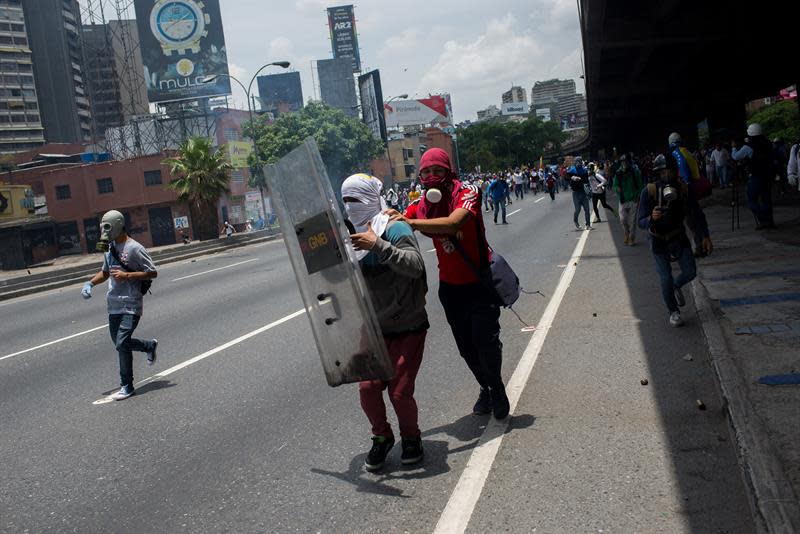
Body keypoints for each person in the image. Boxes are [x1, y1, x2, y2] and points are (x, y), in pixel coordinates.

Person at [389, 148, 510, 420]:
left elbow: (455, 221)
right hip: (451, 290)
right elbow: (398, 223)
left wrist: (412, 222)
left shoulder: (466, 192)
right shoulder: (421, 205)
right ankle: (486, 387)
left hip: (479, 282)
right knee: (466, 348)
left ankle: (497, 387)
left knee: (485, 341)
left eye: (438, 171)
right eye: (426, 172)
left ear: (448, 171)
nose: (432, 176)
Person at [341, 173, 428, 472]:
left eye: (356, 199)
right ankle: (382, 437)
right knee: (367, 387)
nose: (351, 207)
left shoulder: (394, 227)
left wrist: (377, 245)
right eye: (346, 201)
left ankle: (412, 438)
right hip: (376, 328)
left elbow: (416, 266)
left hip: (408, 324)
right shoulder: (348, 237)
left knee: (400, 391)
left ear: (372, 196)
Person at [81, 210, 158, 401]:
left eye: (107, 227)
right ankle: (148, 346)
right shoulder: (108, 248)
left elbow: (152, 272)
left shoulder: (135, 248)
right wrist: (90, 283)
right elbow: (105, 272)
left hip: (131, 303)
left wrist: (128, 276)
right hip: (113, 304)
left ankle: (127, 385)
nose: (105, 232)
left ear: (117, 226)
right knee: (119, 344)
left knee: (122, 343)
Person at [638, 154, 702, 327]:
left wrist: (705, 236)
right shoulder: (649, 191)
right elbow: (640, 221)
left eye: (670, 171)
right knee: (664, 278)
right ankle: (673, 311)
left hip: (678, 236)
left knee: (690, 272)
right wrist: (652, 218)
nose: (667, 175)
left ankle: (675, 286)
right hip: (658, 240)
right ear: (658, 173)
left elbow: (695, 213)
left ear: (675, 171)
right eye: (663, 172)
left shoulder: (683, 189)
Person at [668, 132, 713, 257]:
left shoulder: (677, 153)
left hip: (688, 190)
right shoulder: (686, 151)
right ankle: (703, 241)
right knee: (695, 217)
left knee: (691, 219)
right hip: (693, 187)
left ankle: (700, 246)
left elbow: (682, 167)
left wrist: (684, 185)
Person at [732, 123, 777, 229]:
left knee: (751, 200)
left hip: (756, 176)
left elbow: (735, 157)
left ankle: (763, 220)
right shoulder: (768, 144)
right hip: (767, 175)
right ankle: (770, 221)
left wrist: (734, 147)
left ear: (750, 133)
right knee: (766, 199)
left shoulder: (749, 147)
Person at [614, 154, 643, 245]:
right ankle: (626, 232)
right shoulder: (618, 173)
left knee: (632, 221)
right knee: (622, 219)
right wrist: (617, 189)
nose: (624, 163)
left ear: (629, 162)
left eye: (626, 161)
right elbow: (615, 184)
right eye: (622, 162)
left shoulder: (635, 172)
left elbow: (640, 185)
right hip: (623, 200)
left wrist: (638, 196)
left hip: (633, 199)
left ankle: (631, 238)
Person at [567, 156, 591, 230]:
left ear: (581, 162)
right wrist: (573, 178)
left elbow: (587, 181)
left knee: (587, 209)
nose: (578, 163)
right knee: (578, 209)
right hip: (576, 193)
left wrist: (589, 192)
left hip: (583, 192)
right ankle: (576, 221)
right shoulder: (572, 170)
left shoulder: (584, 170)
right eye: (576, 161)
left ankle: (588, 224)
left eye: (579, 161)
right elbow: (567, 177)